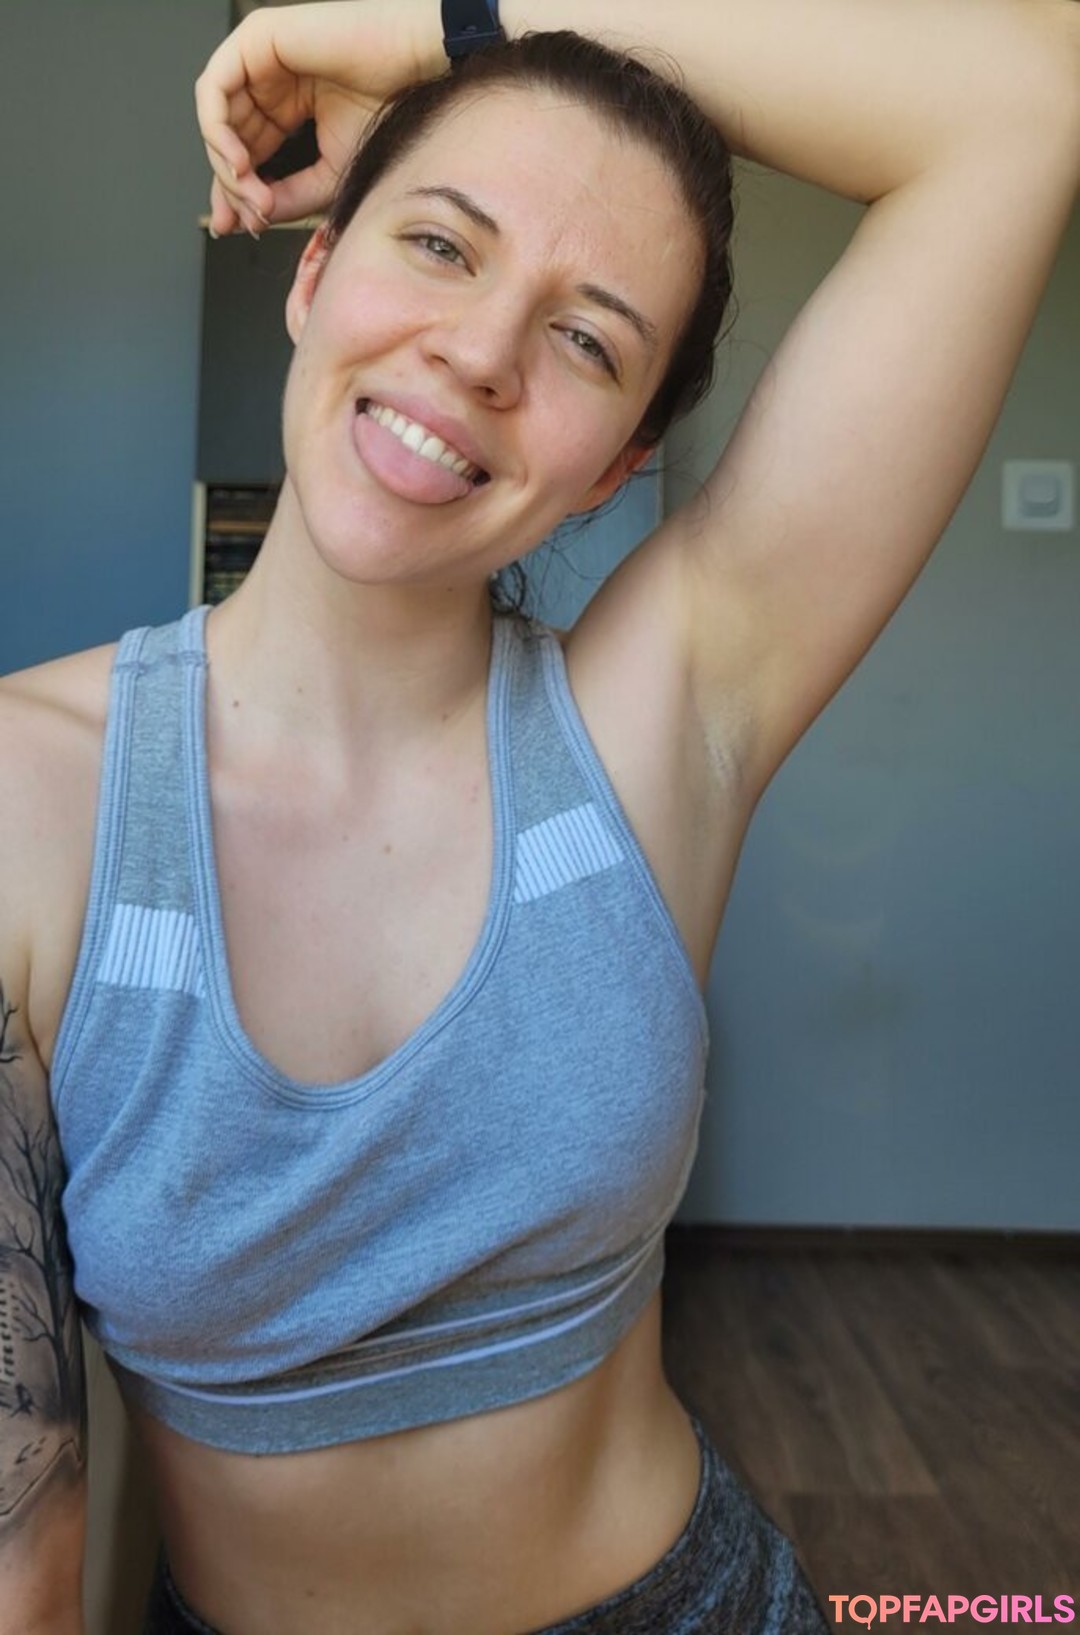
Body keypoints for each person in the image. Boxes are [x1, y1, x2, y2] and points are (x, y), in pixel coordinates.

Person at [1, 0, 1077, 1630]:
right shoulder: (29, 799)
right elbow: (23, 1544)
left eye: (587, 339)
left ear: (617, 465)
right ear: (312, 272)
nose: (482, 354)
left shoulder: (653, 723)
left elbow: (1025, 97)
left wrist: (438, 25)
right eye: (440, 244)